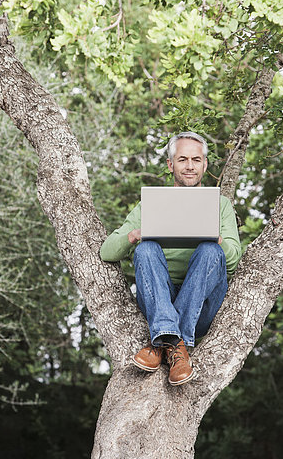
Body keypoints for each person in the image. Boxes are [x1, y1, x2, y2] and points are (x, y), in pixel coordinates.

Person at [100, 132, 242, 386]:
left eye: (196, 160)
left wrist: (214, 237)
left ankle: (165, 339)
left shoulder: (219, 205)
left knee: (211, 251)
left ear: (205, 165)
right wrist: (135, 235)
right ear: (170, 164)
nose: (190, 166)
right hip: (159, 300)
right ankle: (176, 345)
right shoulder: (152, 205)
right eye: (183, 159)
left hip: (203, 307)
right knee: (145, 249)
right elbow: (107, 252)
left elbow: (231, 261)